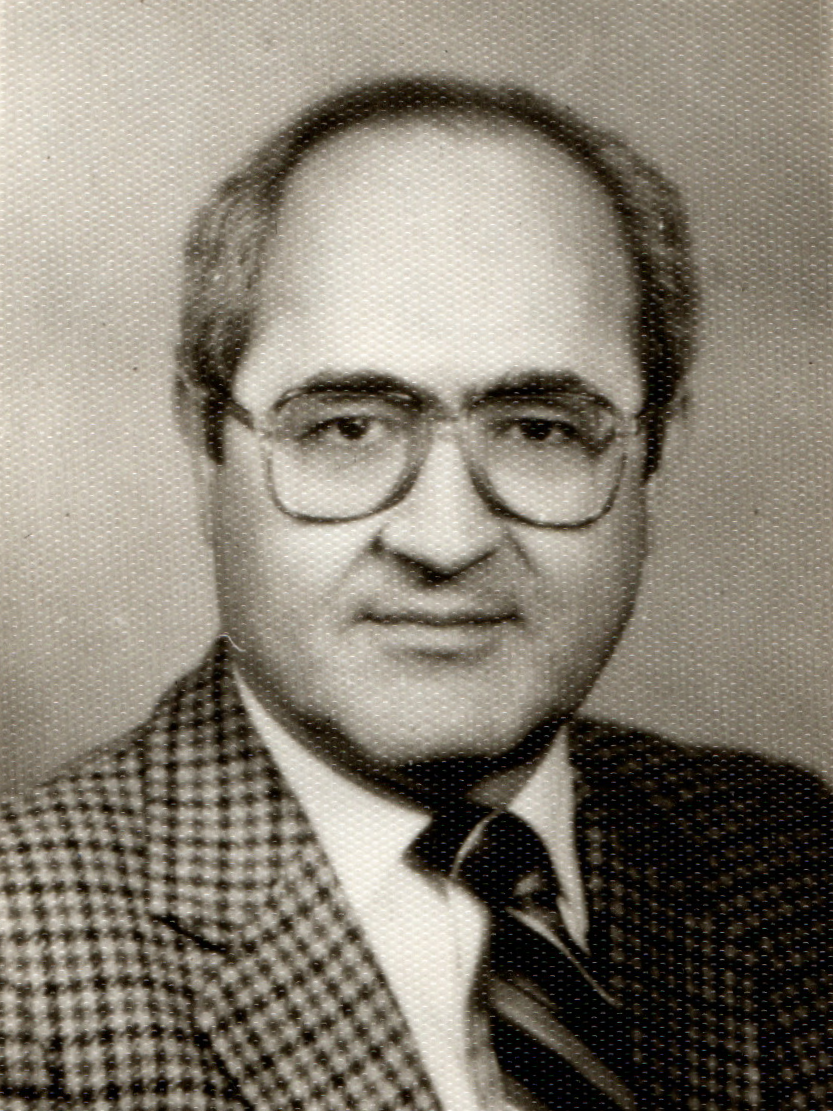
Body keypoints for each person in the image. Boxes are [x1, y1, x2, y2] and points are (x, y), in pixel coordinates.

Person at [0, 77, 829, 1111]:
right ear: (204, 446)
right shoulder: (20, 977)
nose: (445, 539)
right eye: (347, 426)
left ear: (655, 453)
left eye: (537, 428)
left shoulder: (795, 859)